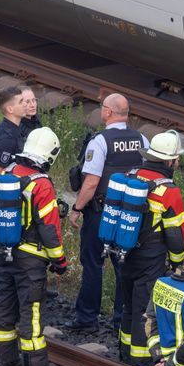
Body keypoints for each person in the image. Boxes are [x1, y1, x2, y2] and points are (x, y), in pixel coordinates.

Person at [0, 127, 70, 366]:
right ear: (49, 154)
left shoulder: (9, 172)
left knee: (5, 309)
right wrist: (60, 262)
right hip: (30, 260)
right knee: (31, 313)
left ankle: (6, 364)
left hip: (4, 253)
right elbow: (50, 228)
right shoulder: (41, 183)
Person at [66, 93, 148, 331]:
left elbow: (91, 182)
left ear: (108, 112)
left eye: (102, 107)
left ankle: (87, 318)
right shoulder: (142, 139)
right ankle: (122, 320)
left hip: (101, 213)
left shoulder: (100, 141)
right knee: (124, 265)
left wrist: (77, 208)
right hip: (130, 213)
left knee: (93, 263)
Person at [117, 130, 184, 366]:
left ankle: (125, 351)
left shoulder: (131, 175)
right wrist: (177, 263)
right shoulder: (169, 191)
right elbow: (175, 234)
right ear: (169, 161)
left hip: (123, 250)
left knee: (127, 302)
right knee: (143, 307)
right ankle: (140, 357)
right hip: (151, 255)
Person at [0, 85, 25, 174]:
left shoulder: (7, 130)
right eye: (21, 102)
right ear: (10, 109)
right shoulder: (7, 139)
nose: (25, 104)